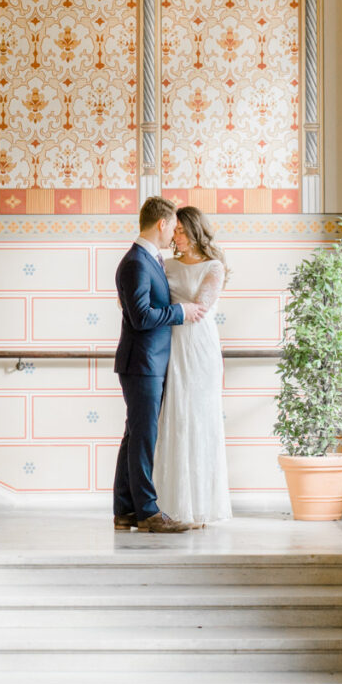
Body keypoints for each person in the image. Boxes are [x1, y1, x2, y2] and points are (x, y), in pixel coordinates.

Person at [113, 196, 206, 533]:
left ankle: (125, 509)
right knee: (143, 437)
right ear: (162, 224)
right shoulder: (137, 262)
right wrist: (180, 313)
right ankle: (148, 513)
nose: (173, 237)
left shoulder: (147, 259)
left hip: (147, 362)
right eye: (173, 229)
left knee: (134, 435)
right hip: (142, 363)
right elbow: (141, 318)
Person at [154, 206, 232, 526]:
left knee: (199, 421)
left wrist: (167, 307)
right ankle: (171, 504)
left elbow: (200, 308)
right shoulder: (165, 264)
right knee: (174, 420)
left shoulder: (215, 266)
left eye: (183, 231)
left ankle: (200, 506)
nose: (177, 237)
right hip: (170, 345)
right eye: (175, 231)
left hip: (200, 349)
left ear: (196, 231)